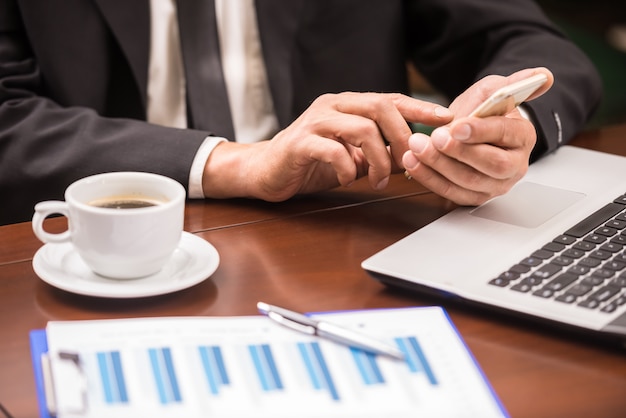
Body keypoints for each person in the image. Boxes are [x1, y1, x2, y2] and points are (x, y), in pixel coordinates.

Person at [0, 0, 601, 225]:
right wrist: (238, 164)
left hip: (339, 231)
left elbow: (529, 43)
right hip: (104, 242)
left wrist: (507, 124)